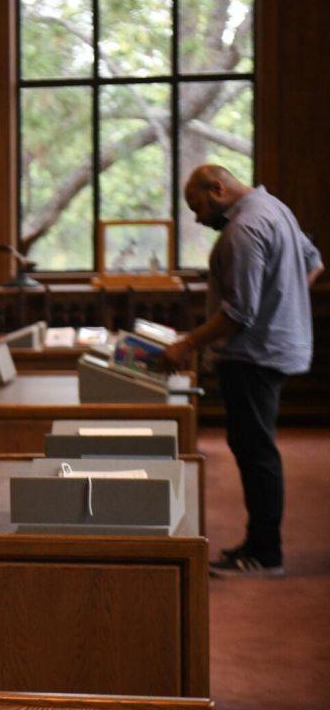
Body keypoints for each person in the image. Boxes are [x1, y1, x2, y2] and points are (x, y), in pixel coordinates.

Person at [163, 164, 323, 577]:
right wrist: (283, 298)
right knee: (255, 447)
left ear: (217, 188)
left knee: (256, 453)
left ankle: (264, 554)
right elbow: (314, 262)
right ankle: (260, 546)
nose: (198, 218)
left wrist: (187, 344)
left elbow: (238, 314)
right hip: (276, 347)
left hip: (253, 356)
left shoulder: (243, 229)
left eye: (198, 207)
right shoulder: (275, 208)